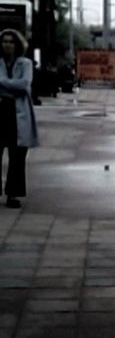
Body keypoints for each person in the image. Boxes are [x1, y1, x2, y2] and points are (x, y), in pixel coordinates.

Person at [0, 28, 39, 208]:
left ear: (17, 45)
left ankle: (13, 194)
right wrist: (11, 86)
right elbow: (18, 86)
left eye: (11, 42)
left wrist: (2, 83)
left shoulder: (26, 63)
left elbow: (24, 85)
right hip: (1, 110)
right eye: (4, 41)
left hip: (18, 113)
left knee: (17, 156)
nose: (7, 45)